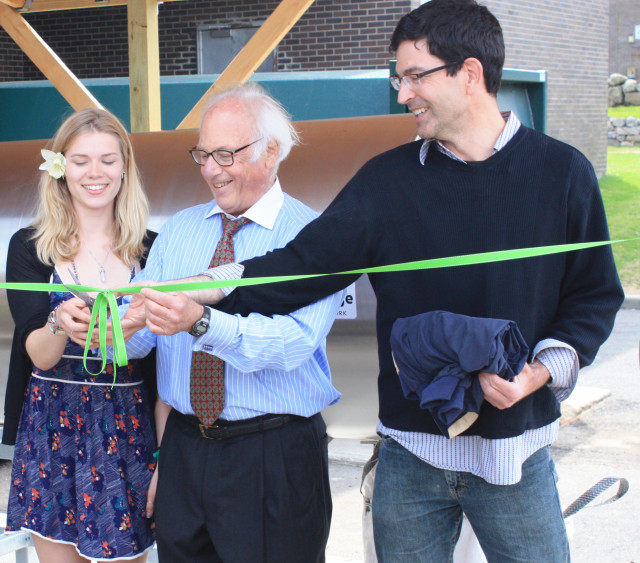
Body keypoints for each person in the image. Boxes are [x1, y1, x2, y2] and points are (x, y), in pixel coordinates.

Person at [141, 1, 625, 561]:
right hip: (410, 460)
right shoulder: (387, 181)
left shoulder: (563, 173)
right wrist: (201, 289)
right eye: (399, 78)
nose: (403, 94)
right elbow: (299, 267)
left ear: (469, 74)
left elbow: (593, 299)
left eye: (415, 76)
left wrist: (536, 375)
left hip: (515, 457)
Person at [123, 82, 343, 562]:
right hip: (185, 448)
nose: (209, 171)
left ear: (272, 152)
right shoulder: (179, 230)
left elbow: (290, 345)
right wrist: (117, 326)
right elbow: (142, 341)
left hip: (273, 454)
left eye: (225, 155)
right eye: (202, 154)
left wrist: (200, 322)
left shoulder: (316, 237)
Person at [3, 107, 158, 562]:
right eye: (81, 160)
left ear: (125, 167)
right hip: (52, 428)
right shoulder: (30, 247)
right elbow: (40, 354)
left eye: (108, 160)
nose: (96, 173)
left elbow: (169, 356)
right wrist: (58, 322)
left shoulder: (152, 249)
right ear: (60, 168)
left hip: (127, 428)